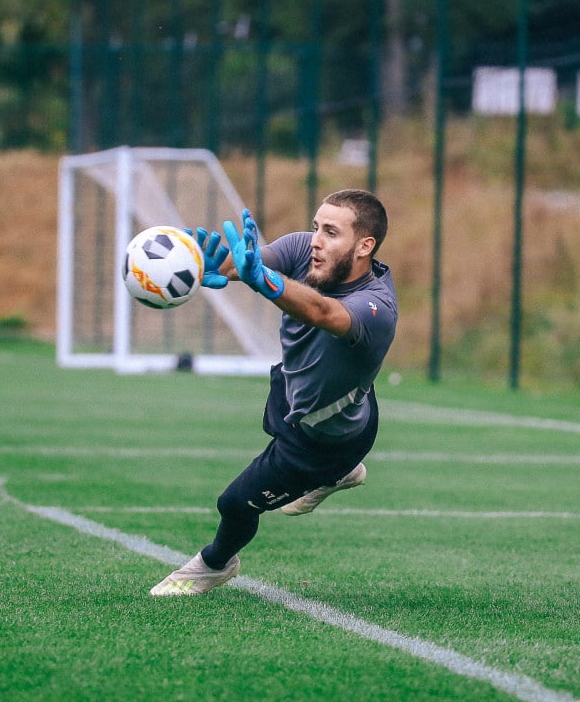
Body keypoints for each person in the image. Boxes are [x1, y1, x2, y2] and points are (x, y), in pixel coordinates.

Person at [150, 189, 398, 596]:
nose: (316, 239)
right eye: (317, 226)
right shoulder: (305, 250)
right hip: (307, 395)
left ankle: (214, 564)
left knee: (233, 504)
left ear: (364, 246)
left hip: (327, 440)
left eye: (332, 232)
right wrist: (200, 263)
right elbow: (248, 265)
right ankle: (341, 473)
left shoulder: (377, 309)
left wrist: (263, 281)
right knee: (285, 402)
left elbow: (322, 312)